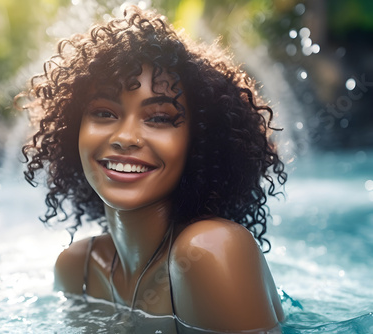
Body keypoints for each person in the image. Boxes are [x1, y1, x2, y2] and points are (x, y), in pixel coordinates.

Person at [18, 5, 287, 333]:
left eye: (159, 118)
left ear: (199, 140)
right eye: (104, 113)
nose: (125, 138)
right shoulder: (78, 269)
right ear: (74, 129)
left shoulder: (210, 250)